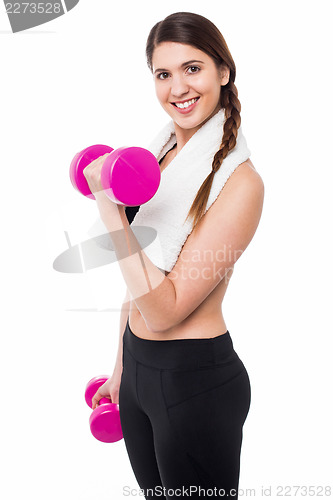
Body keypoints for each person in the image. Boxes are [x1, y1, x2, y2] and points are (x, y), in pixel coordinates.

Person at [84, 11, 264, 500]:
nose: (177, 88)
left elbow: (164, 309)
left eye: (193, 68)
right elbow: (139, 280)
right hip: (140, 372)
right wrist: (123, 367)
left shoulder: (240, 183)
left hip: (194, 384)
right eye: (163, 74)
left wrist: (111, 212)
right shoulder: (162, 154)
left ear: (223, 71)